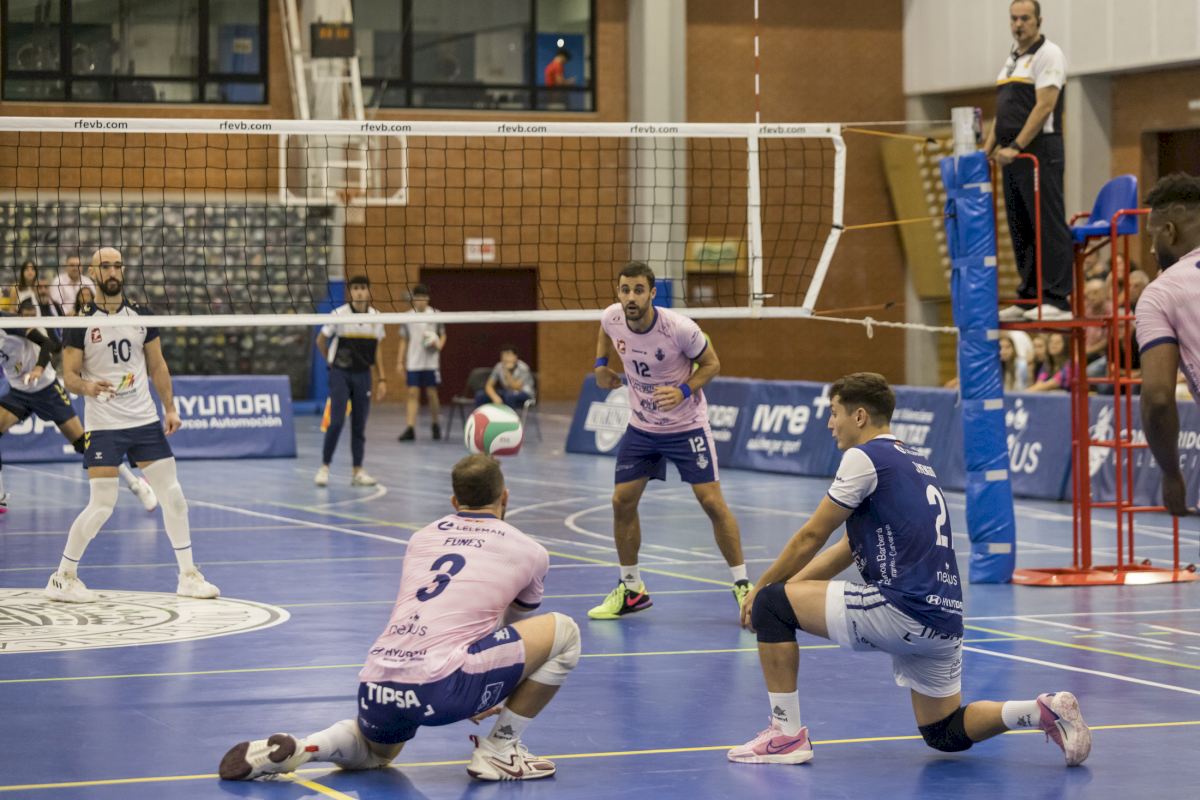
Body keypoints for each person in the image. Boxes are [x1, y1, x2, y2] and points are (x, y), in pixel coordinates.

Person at [728, 372, 1090, 767]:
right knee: (943, 731)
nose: (830, 423)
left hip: (903, 608)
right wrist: (790, 590)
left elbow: (811, 535)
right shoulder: (915, 460)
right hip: (945, 619)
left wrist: (761, 593)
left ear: (859, 416)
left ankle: (785, 736)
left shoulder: (863, 458)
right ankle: (1042, 711)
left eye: (834, 413)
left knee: (771, 605)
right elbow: (846, 549)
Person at [218, 454, 580, 783]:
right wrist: (489, 688)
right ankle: (500, 749)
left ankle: (306, 747)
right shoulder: (530, 550)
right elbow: (514, 629)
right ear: (505, 497)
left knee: (375, 754)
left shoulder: (421, 538)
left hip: (377, 680)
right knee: (565, 632)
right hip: (445, 683)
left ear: (454, 502)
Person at [44, 247, 218, 603]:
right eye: (105, 266)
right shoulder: (80, 322)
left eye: (117, 266)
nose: (113, 272)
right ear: (93, 273)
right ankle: (62, 577)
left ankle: (188, 576)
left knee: (173, 496)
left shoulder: (141, 315)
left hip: (144, 420)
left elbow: (157, 365)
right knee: (102, 505)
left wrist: (170, 408)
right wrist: (88, 387)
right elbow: (70, 376)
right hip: (104, 425)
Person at [588, 261, 752, 620]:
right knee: (621, 501)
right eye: (625, 290)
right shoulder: (612, 316)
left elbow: (712, 364)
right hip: (642, 427)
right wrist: (600, 365)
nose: (631, 297)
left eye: (638, 290)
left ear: (652, 293)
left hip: (686, 427)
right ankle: (631, 588)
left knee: (711, 502)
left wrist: (683, 391)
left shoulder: (679, 328)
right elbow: (604, 330)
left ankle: (743, 585)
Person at [0, 310, 158, 515]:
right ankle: (0, 496)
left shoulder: (8, 322)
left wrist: (38, 368)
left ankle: (136, 485)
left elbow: (48, 344)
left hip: (46, 389)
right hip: (18, 392)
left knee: (84, 444)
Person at [985, 1, 1072, 322]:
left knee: (1046, 221)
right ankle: (1028, 296)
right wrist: (987, 149)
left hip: (1039, 152)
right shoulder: (1012, 60)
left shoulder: (1049, 54)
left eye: (1025, 18)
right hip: (1012, 156)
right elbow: (1003, 113)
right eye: (1014, 18)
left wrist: (1017, 145)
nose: (1018, 24)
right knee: (1019, 225)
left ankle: (1057, 299)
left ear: (1038, 21)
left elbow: (1044, 106)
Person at [1135, 173, 1200, 517]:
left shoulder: (1160, 293)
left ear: (1170, 232)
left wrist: (1170, 471)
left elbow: (1158, 398)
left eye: (1152, 236)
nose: (1150, 249)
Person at [314, 275, 386, 488]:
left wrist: (382, 378)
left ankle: (357, 471)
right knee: (336, 421)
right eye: (355, 288)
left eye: (363, 288)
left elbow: (378, 350)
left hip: (363, 374)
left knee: (359, 425)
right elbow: (320, 340)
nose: (359, 292)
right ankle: (324, 467)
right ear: (350, 292)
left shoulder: (376, 317)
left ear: (368, 291)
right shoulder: (339, 315)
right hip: (341, 373)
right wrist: (330, 360)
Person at [397, 284, 445, 442]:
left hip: (431, 362)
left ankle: (435, 424)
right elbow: (404, 340)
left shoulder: (436, 314)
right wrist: (400, 361)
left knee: (432, 393)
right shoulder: (407, 317)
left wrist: (439, 344)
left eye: (423, 297)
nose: (421, 300)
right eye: (418, 297)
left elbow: (443, 335)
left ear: (428, 298)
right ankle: (410, 428)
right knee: (412, 393)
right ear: (414, 299)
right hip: (414, 361)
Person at [478, 344, 535, 410]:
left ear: (515, 357)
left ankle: (511, 416)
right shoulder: (499, 366)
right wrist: (494, 397)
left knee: (509, 396)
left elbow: (516, 386)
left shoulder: (523, 368)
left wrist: (506, 371)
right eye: (504, 356)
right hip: (507, 392)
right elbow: (488, 385)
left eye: (509, 355)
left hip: (524, 393)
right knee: (480, 395)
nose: (506, 358)